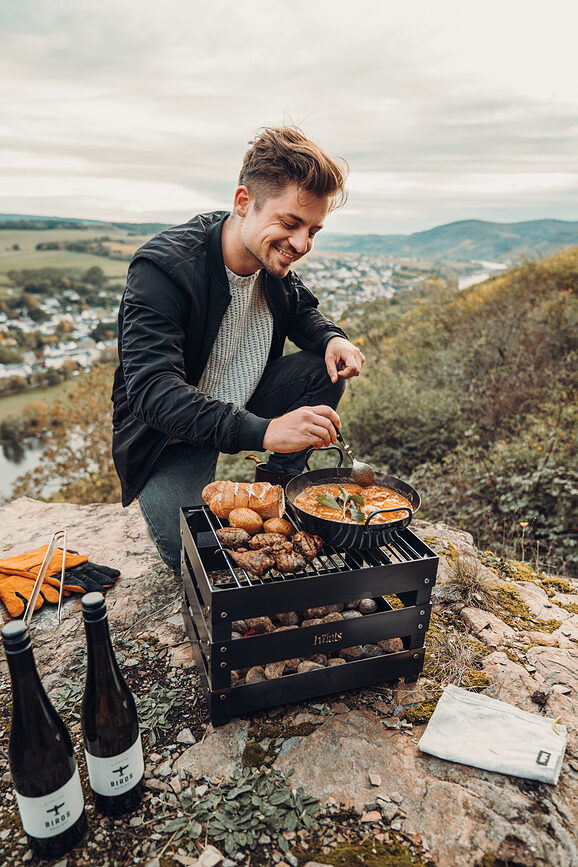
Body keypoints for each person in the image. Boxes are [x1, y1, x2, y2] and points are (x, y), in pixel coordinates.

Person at [111, 126, 365, 572]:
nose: (302, 244)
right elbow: (152, 392)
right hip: (171, 433)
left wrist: (332, 338)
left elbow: (301, 310)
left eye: (313, 230)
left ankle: (280, 485)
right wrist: (265, 431)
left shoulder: (270, 258)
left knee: (320, 369)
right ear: (244, 202)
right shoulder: (163, 267)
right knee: (197, 557)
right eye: (290, 223)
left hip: (244, 395)